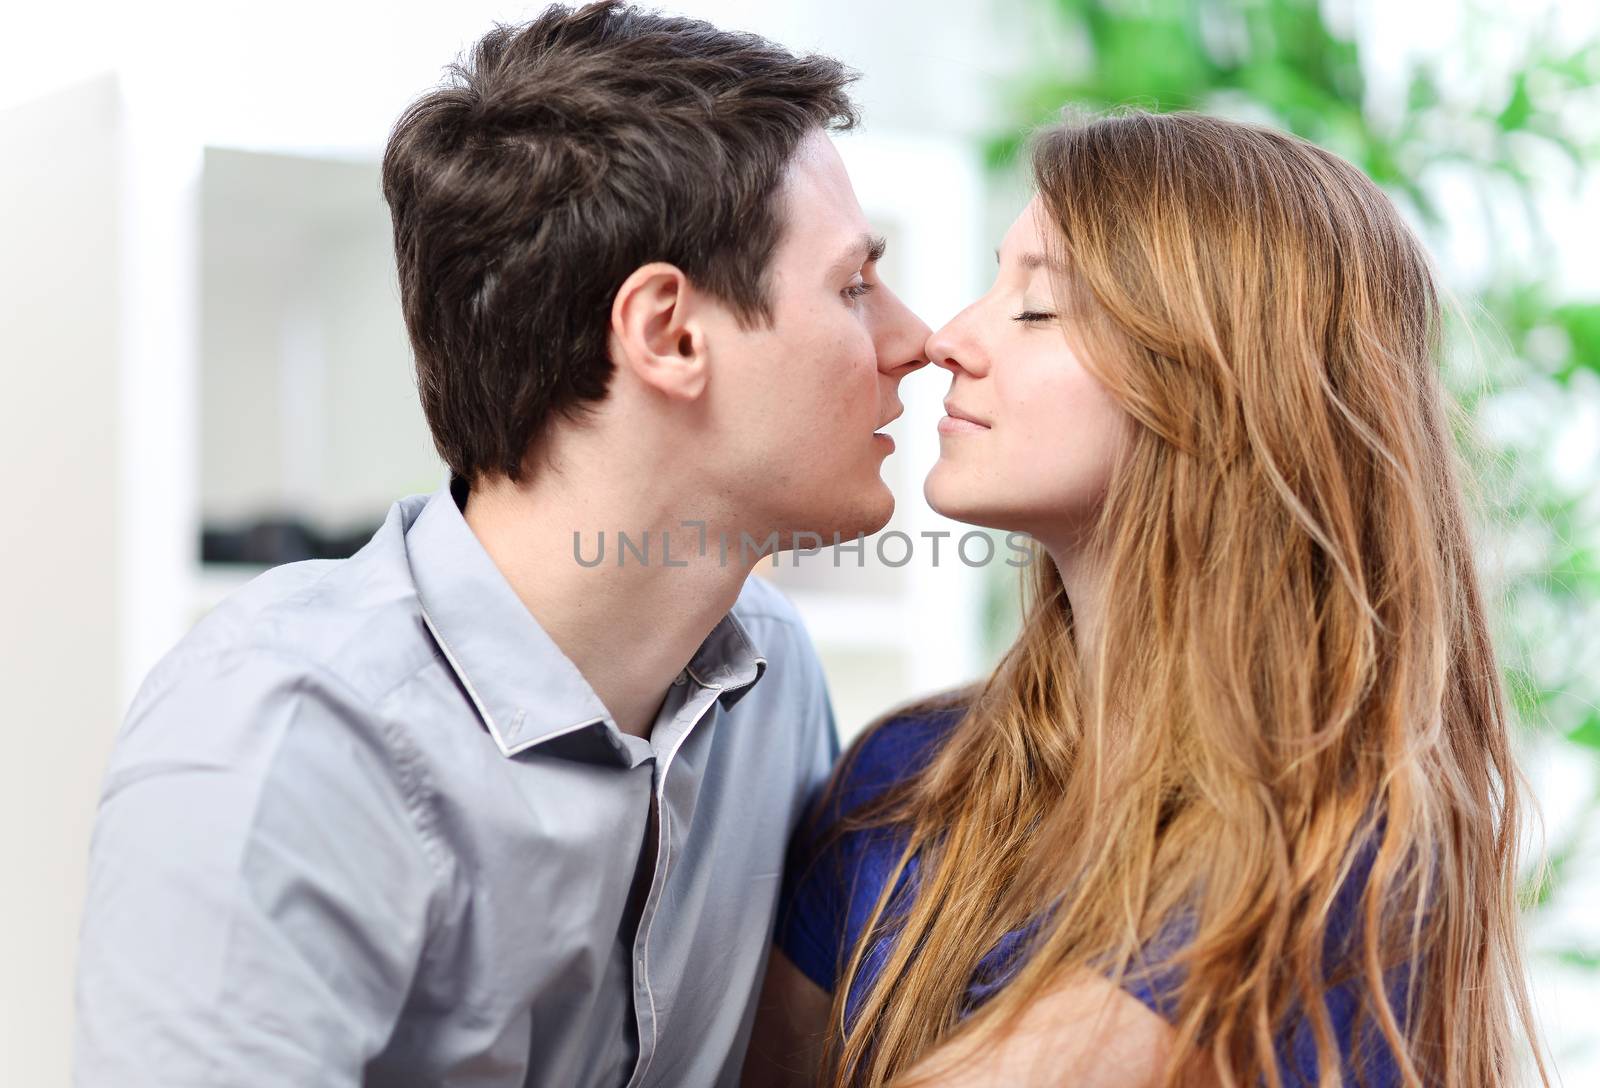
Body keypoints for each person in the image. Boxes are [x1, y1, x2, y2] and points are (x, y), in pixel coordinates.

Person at [72, 3, 929, 1085]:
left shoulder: (767, 677)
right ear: (668, 332)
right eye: (853, 285)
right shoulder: (284, 739)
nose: (916, 341)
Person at [746, 110, 1546, 1087]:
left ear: (1222, 388)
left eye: (1037, 307)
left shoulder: (1330, 850)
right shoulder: (899, 784)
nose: (949, 337)